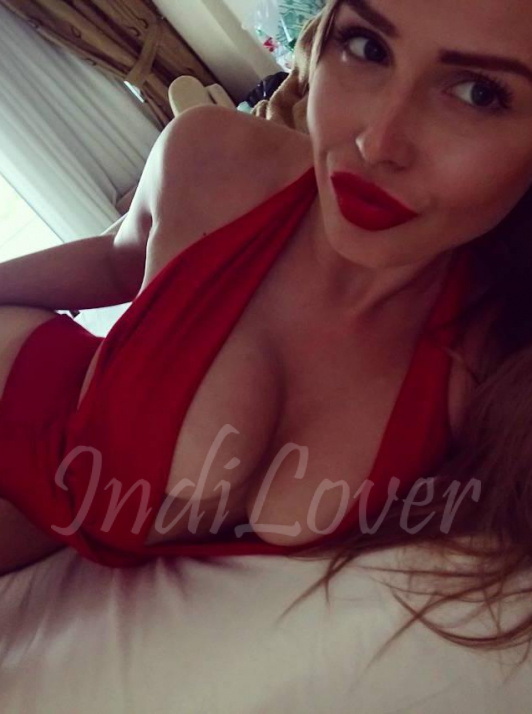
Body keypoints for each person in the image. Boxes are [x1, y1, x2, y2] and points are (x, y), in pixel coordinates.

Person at [1, 0, 532, 653]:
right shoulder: (218, 157)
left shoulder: (492, 372)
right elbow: (117, 257)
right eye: (367, 47)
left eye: (479, 93)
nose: (377, 142)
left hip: (66, 525)